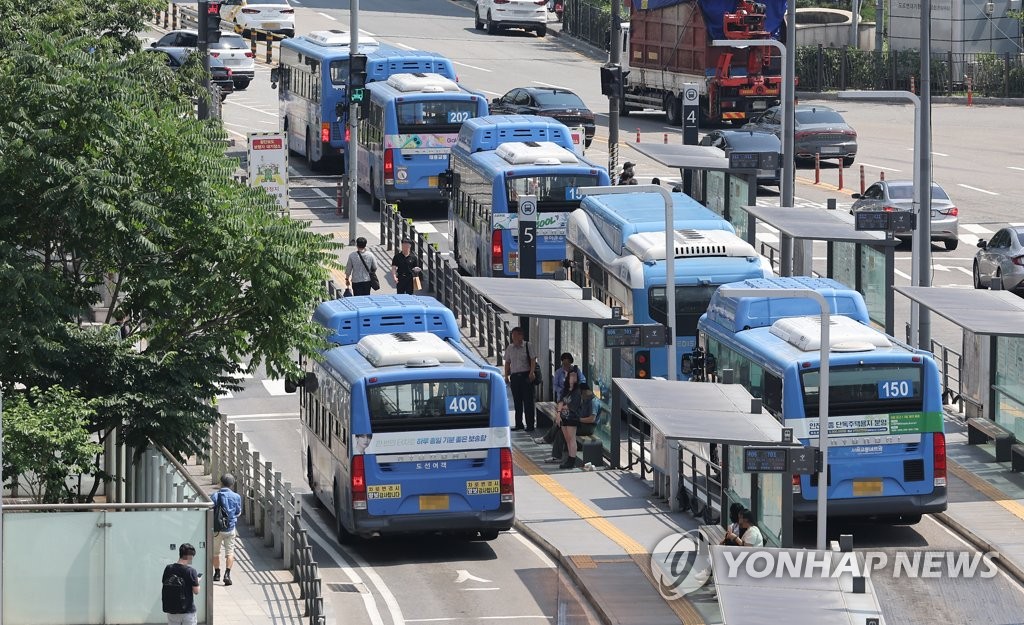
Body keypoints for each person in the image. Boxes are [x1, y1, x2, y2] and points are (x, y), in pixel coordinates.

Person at [211, 474, 243, 586]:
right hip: (230, 529)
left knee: (215, 553)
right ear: (232, 484)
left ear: (221, 483)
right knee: (230, 552)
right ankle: (227, 574)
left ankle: (217, 573)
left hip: (217, 529)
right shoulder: (236, 497)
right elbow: (238, 512)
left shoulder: (215, 496)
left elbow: (211, 510)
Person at [503, 326, 537, 432]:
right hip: (515, 376)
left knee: (528, 402)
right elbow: (507, 362)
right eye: (512, 336)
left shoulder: (528, 345)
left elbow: (533, 359)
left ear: (521, 336)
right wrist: (506, 375)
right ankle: (519, 424)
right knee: (517, 402)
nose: (513, 338)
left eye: (515, 335)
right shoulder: (510, 348)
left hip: (525, 375)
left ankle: (530, 425)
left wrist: (531, 372)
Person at [162, 543, 200, 625]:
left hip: (172, 610)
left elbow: (165, 583)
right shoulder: (191, 571)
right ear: (190, 556)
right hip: (188, 611)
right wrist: (197, 581)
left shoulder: (168, 568)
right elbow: (196, 591)